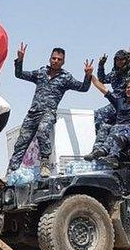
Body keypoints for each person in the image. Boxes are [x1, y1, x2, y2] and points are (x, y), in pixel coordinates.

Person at [7, 43, 93, 177]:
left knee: (42, 130)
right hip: (33, 113)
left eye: (59, 59)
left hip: (48, 112)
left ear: (63, 61)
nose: (56, 61)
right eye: (54, 58)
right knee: (21, 142)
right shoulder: (41, 73)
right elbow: (19, 74)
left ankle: (45, 164)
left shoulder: (66, 78)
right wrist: (20, 60)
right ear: (50, 59)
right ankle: (11, 171)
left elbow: (83, 88)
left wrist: (87, 76)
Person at [85, 55, 130, 160]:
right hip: (118, 126)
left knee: (115, 129)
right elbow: (103, 88)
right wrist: (90, 75)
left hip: (129, 127)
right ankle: (96, 151)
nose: (129, 89)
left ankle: (106, 152)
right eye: (128, 87)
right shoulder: (119, 101)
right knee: (105, 127)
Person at [94, 49, 130, 130]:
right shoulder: (114, 73)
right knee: (97, 115)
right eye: (117, 59)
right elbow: (102, 80)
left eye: (122, 59)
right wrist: (101, 65)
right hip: (114, 100)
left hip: (125, 101)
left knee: (101, 115)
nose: (119, 61)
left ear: (126, 60)